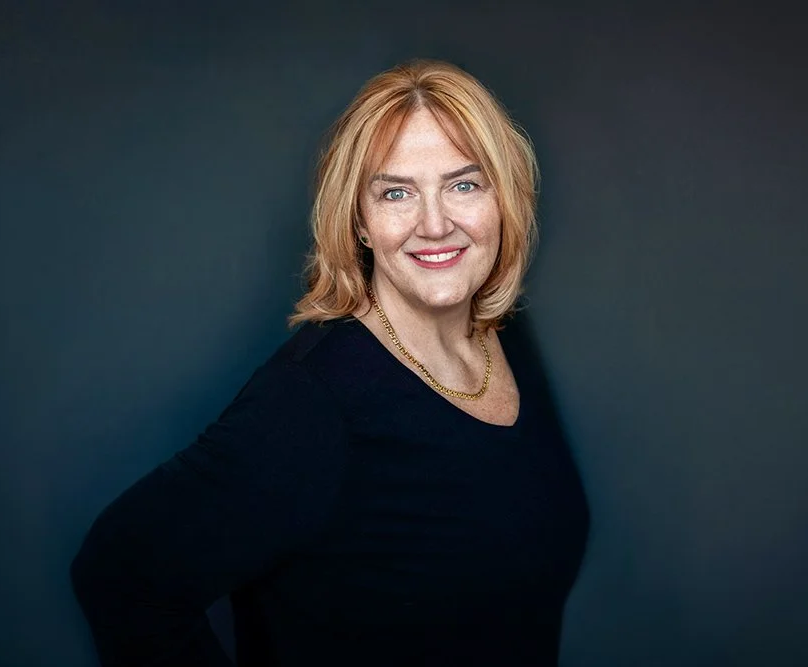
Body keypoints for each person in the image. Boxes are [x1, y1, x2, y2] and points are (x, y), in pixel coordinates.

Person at [70, 58, 590, 667]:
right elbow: (121, 574)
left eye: (463, 184)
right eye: (396, 192)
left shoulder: (506, 335)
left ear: (504, 200)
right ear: (360, 222)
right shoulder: (313, 402)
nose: (434, 223)